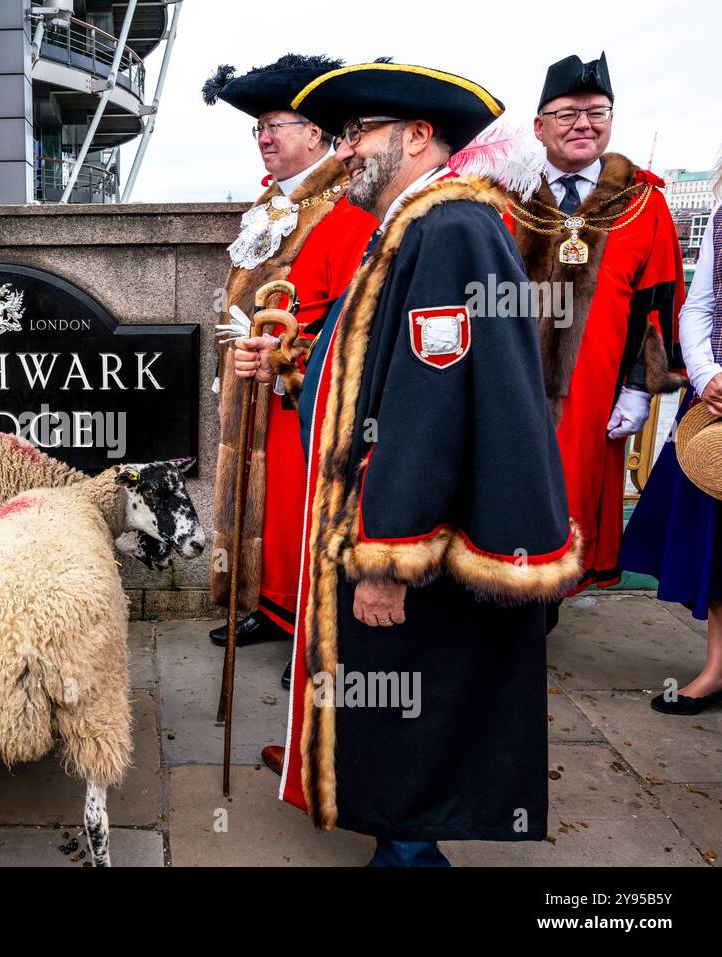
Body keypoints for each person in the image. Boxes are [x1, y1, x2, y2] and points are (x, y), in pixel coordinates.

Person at [236, 61, 581, 866]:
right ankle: (363, 794)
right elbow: (366, 367)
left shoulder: (447, 229)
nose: (346, 150)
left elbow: (428, 413)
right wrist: (287, 359)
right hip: (390, 516)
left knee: (409, 700)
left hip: (405, 532)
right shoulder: (416, 225)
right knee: (386, 699)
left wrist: (388, 557)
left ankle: (410, 854)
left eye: (361, 133)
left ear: (419, 137)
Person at [202, 55, 376, 706]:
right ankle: (272, 605)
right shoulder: (269, 201)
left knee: (305, 510)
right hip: (254, 380)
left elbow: (347, 312)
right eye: (260, 129)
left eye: (278, 125)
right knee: (265, 508)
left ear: (317, 135)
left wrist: (286, 363)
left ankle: (313, 627)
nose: (266, 137)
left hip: (303, 389)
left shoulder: (346, 205)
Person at [507, 53, 686, 607]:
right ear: (539, 126)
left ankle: (546, 606)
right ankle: (500, 595)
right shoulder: (505, 194)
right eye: (567, 114)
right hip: (508, 382)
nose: (584, 124)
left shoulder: (643, 202)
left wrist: (639, 387)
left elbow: (660, 304)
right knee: (504, 489)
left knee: (573, 497)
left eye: (597, 112)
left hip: (594, 393)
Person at [621, 161, 722, 716]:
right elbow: (699, 306)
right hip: (716, 405)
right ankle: (717, 666)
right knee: (718, 541)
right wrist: (706, 374)